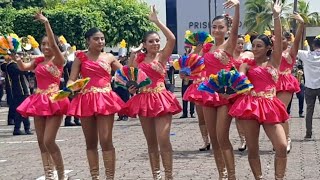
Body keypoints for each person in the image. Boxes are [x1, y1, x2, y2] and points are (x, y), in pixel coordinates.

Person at [229, 1, 288, 179]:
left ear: (269, 48)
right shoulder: (246, 65)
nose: (254, 49)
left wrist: (276, 16)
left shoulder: (274, 61)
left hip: (270, 105)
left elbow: (277, 38)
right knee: (253, 149)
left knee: (282, 146)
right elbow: (239, 81)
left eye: (259, 46)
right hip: (250, 106)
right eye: (253, 46)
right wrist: (238, 77)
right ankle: (258, 178)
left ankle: (279, 178)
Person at [125, 6, 182, 179]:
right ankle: (156, 175)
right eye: (151, 41)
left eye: (157, 40)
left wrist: (157, 22)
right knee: (151, 142)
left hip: (161, 98)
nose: (155, 43)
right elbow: (131, 78)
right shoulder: (138, 60)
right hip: (143, 100)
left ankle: (169, 175)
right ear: (144, 44)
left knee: (163, 139)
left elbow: (171, 38)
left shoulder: (162, 57)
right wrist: (131, 86)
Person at [15, 11, 69, 179]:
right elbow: (23, 67)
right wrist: (17, 59)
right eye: (43, 44)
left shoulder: (59, 60)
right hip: (39, 100)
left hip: (54, 100)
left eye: (48, 44)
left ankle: (60, 174)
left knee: (49, 140)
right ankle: (48, 174)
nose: (46, 47)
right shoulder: (38, 61)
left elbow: (53, 45)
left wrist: (46, 23)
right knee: (40, 141)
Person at [67, 27, 125, 179]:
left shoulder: (109, 57)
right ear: (88, 41)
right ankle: (95, 177)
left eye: (102, 38)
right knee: (90, 142)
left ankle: (110, 177)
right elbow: (72, 78)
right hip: (86, 99)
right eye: (96, 38)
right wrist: (71, 87)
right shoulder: (80, 57)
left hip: (105, 99)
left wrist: (133, 79)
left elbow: (126, 74)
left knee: (106, 139)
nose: (100, 41)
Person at [198, 0, 240, 178]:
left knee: (222, 137)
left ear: (227, 29)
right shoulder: (207, 47)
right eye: (214, 27)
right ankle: (222, 174)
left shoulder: (229, 44)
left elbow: (236, 27)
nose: (216, 30)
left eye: (220, 27)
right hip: (208, 93)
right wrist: (186, 73)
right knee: (214, 138)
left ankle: (231, 175)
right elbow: (195, 65)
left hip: (225, 94)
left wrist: (237, 7)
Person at [276, 13, 304, 153]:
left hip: (285, 82)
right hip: (272, 82)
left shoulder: (290, 52)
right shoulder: (271, 52)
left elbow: (297, 40)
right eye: (276, 38)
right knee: (274, 114)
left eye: (282, 39)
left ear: (287, 40)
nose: (279, 41)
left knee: (280, 111)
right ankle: (280, 139)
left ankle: (286, 139)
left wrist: (301, 24)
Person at [233, 35, 254, 151]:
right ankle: (243, 140)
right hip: (234, 89)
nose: (240, 45)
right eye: (238, 43)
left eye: (242, 43)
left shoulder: (249, 55)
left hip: (247, 88)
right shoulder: (229, 56)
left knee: (248, 115)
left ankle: (250, 138)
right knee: (238, 116)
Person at [297, 35, 320, 139]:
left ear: (313, 45)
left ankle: (308, 133)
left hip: (309, 87)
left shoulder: (306, 55)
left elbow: (295, 48)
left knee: (309, 111)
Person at [6, 59, 33, 135]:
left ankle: (23, 128)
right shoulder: (11, 65)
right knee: (21, 111)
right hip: (19, 91)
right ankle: (21, 128)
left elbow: (28, 74)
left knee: (23, 110)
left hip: (24, 90)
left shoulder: (18, 65)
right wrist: (27, 64)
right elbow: (22, 70)